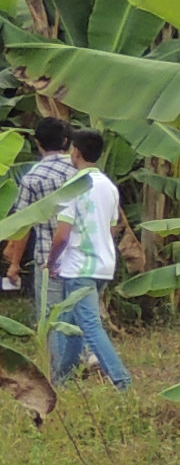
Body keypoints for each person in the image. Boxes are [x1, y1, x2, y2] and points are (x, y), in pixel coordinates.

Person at [42, 129, 127, 389]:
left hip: (78, 266)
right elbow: (114, 227)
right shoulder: (109, 187)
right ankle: (61, 380)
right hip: (103, 264)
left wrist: (52, 260)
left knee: (89, 326)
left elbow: (62, 234)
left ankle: (122, 380)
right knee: (72, 325)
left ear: (75, 152)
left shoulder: (73, 187)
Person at [7, 118, 77, 318]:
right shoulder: (81, 171)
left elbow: (23, 225)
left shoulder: (32, 178)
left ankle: (53, 351)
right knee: (81, 318)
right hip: (82, 258)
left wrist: (14, 263)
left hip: (48, 258)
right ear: (66, 141)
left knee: (51, 318)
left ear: (38, 143)